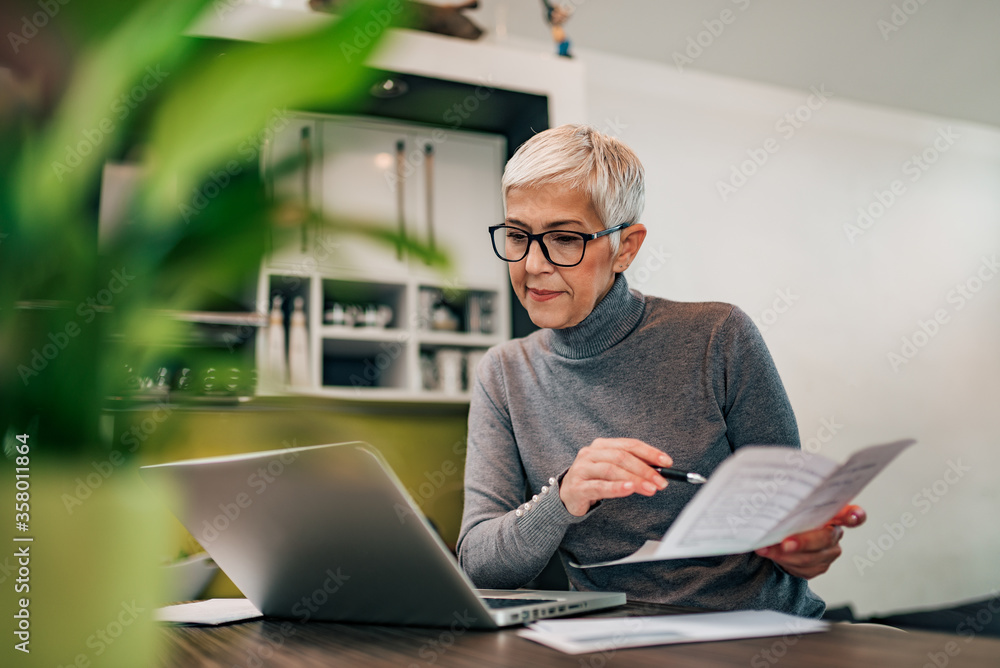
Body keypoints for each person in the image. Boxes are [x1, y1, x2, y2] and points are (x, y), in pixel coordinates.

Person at [456, 124, 865, 617]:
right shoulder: (504, 373)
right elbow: (478, 563)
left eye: (564, 239)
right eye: (518, 235)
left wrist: (806, 543)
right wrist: (562, 496)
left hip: (759, 633)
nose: (534, 264)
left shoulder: (719, 336)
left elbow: (794, 527)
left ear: (625, 247)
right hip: (607, 641)